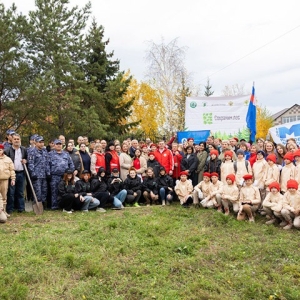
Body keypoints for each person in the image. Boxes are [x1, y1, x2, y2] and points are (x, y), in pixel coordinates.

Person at [48, 139, 74, 210]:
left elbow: (71, 164)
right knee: (54, 191)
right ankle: (54, 206)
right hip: (54, 176)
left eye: (60, 144)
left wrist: (71, 172)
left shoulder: (66, 154)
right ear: (54, 145)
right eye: (57, 144)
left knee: (65, 191)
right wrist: (48, 173)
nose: (59, 145)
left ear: (62, 145)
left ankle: (64, 205)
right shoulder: (50, 154)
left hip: (65, 176)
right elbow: (47, 165)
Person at [4, 133, 27, 213]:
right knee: (11, 192)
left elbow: (27, 159)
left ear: (20, 140)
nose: (16, 140)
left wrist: (25, 161)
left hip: (21, 173)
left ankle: (21, 208)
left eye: (18, 139)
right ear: (12, 140)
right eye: (15, 139)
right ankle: (10, 209)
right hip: (12, 174)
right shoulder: (7, 150)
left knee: (20, 192)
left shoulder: (24, 149)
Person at [27, 136, 50, 208]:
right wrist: (33, 173)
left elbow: (47, 163)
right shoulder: (32, 151)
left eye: (42, 142)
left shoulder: (44, 151)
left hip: (44, 175)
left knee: (44, 191)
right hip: (37, 175)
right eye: (40, 142)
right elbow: (31, 164)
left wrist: (48, 173)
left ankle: (42, 205)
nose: (42, 144)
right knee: (37, 192)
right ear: (35, 143)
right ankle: (36, 206)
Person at [0, 144, 15, 217]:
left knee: (4, 196)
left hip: (5, 180)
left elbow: (12, 170)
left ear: (3, 150)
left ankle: (4, 211)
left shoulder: (8, 159)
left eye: (0, 150)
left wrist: (13, 179)